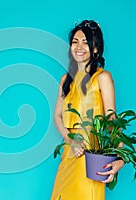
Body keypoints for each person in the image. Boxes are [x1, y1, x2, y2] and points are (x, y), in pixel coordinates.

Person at [50, 20, 125, 200]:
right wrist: (71, 140)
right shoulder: (65, 80)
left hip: (92, 154)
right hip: (70, 150)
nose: (79, 47)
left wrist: (120, 158)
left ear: (96, 49)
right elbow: (57, 116)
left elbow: (111, 119)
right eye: (75, 42)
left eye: (85, 42)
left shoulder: (103, 78)